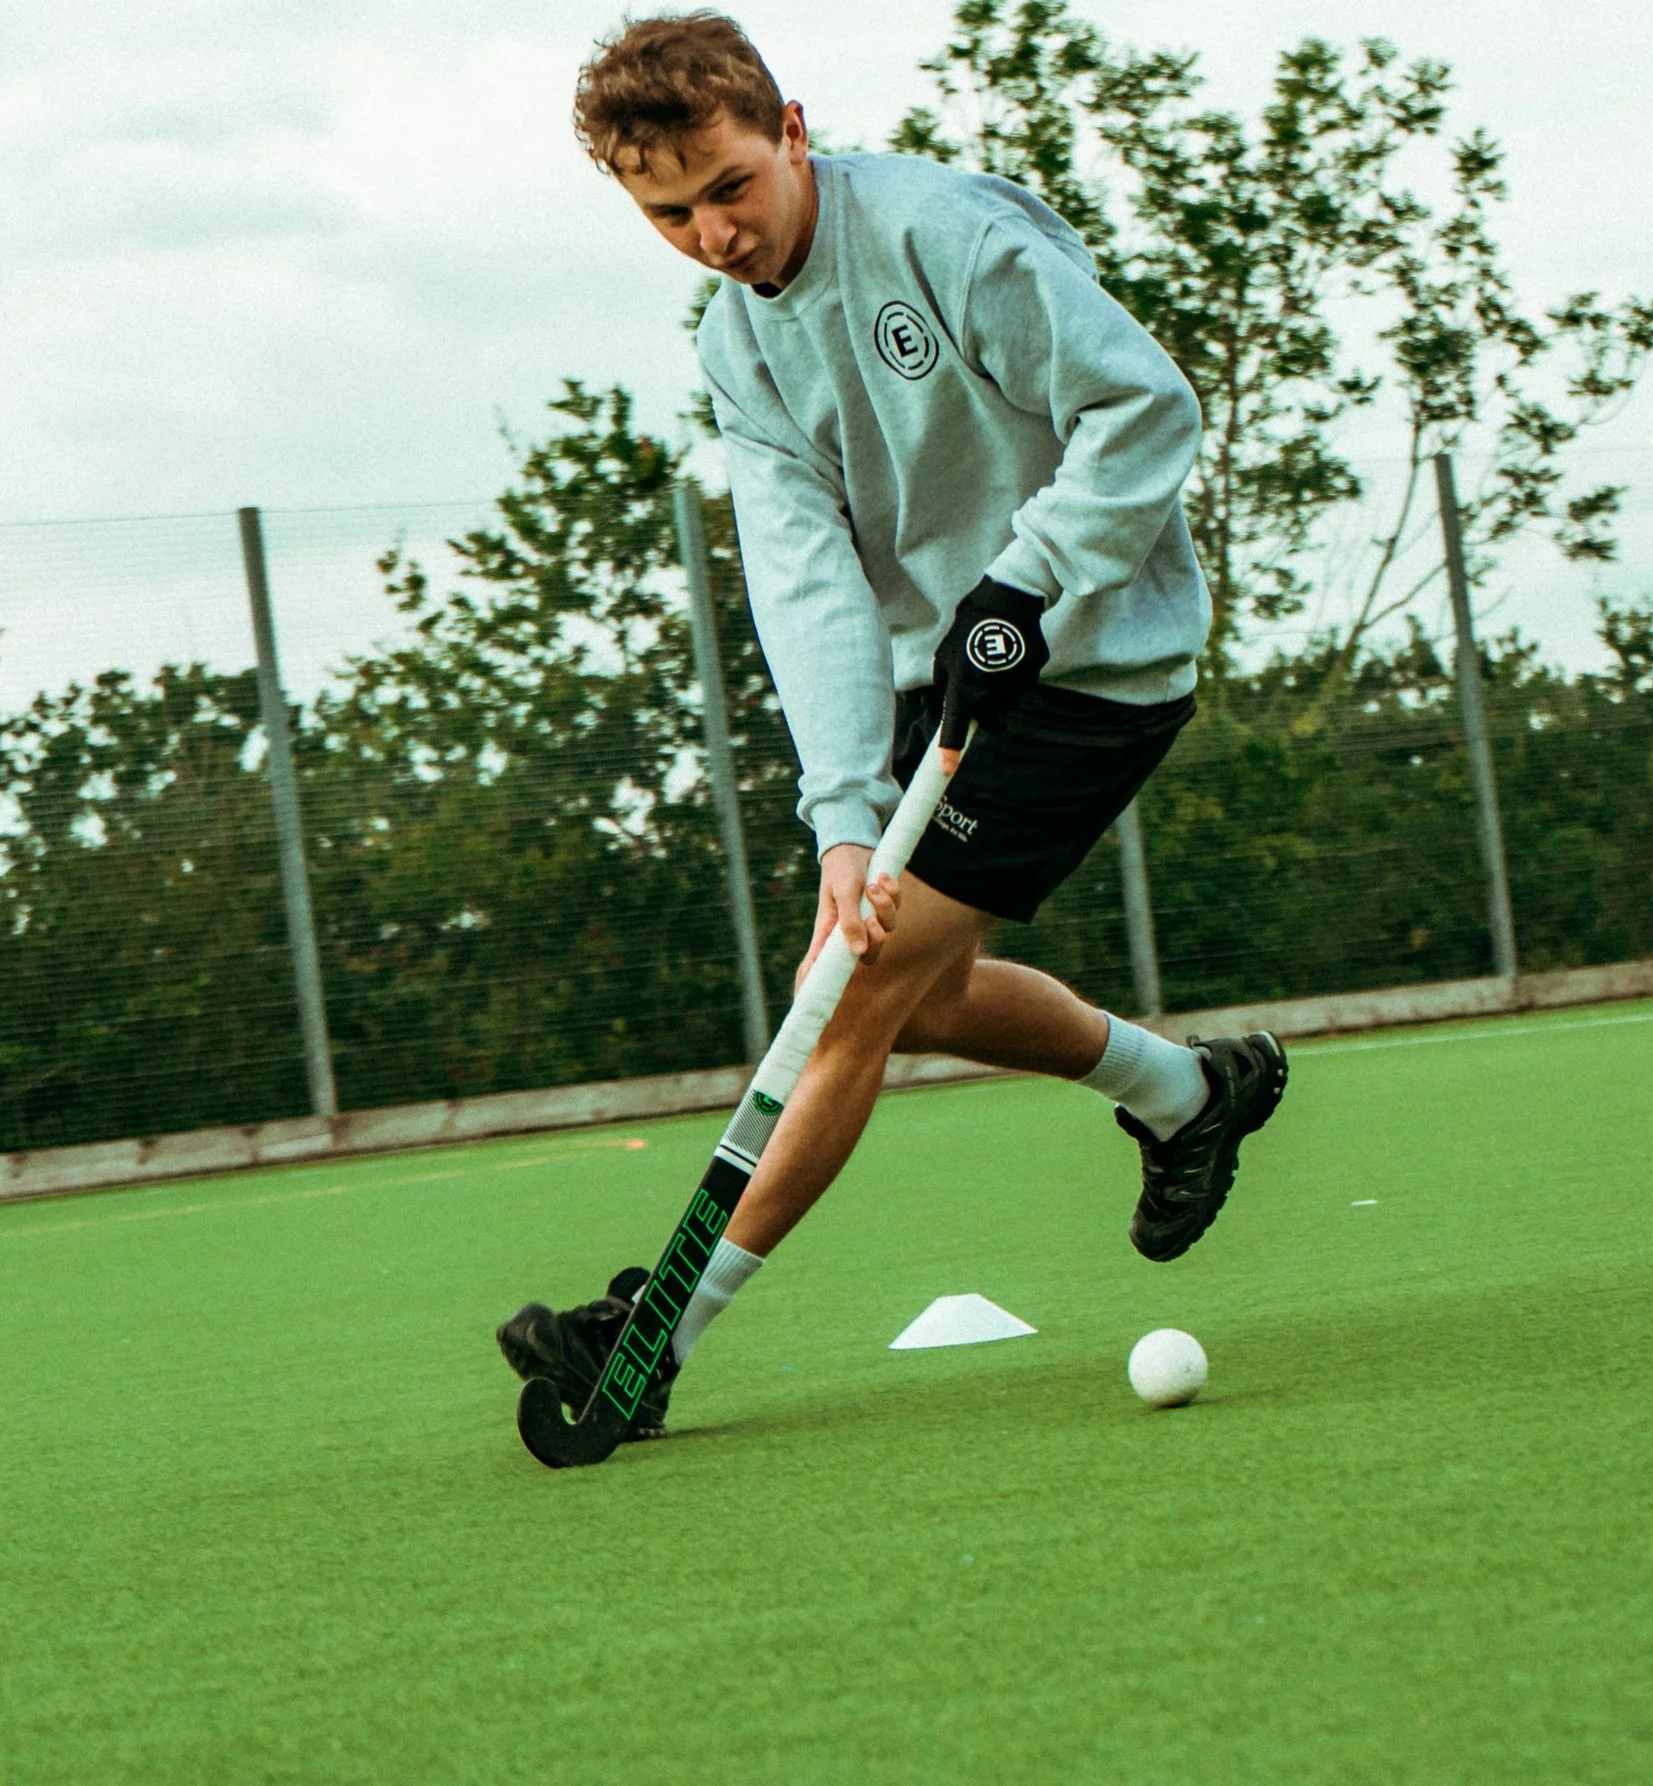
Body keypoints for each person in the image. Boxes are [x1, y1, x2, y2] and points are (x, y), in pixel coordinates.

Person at [497, 12, 1288, 1433]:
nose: (714, 234)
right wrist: (845, 817)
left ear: (789, 129)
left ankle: (659, 1332)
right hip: (955, 660)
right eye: (668, 213)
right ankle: (1188, 1090)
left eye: (731, 186)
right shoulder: (741, 348)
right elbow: (804, 583)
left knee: (855, 991)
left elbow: (1146, 409)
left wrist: (1033, 581)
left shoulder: (943, 235)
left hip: (1098, 652)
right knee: (898, 978)